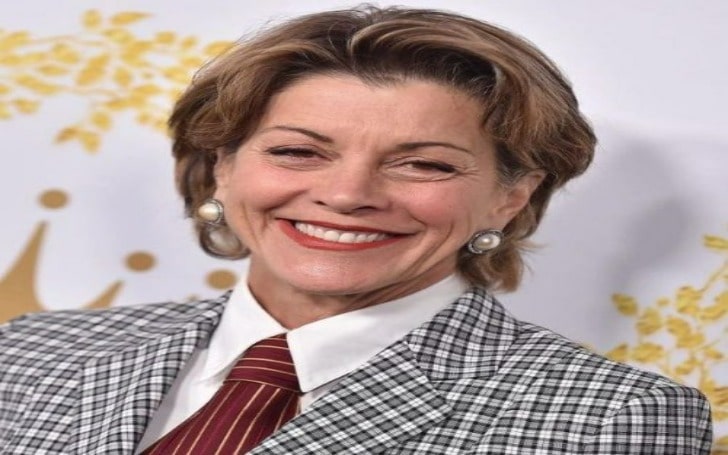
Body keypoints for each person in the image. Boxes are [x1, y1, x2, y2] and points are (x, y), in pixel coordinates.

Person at [0, 5, 712, 454]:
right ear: (221, 167)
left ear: (510, 196)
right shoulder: (30, 354)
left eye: (423, 164)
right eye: (297, 152)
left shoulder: (610, 418)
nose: (346, 195)